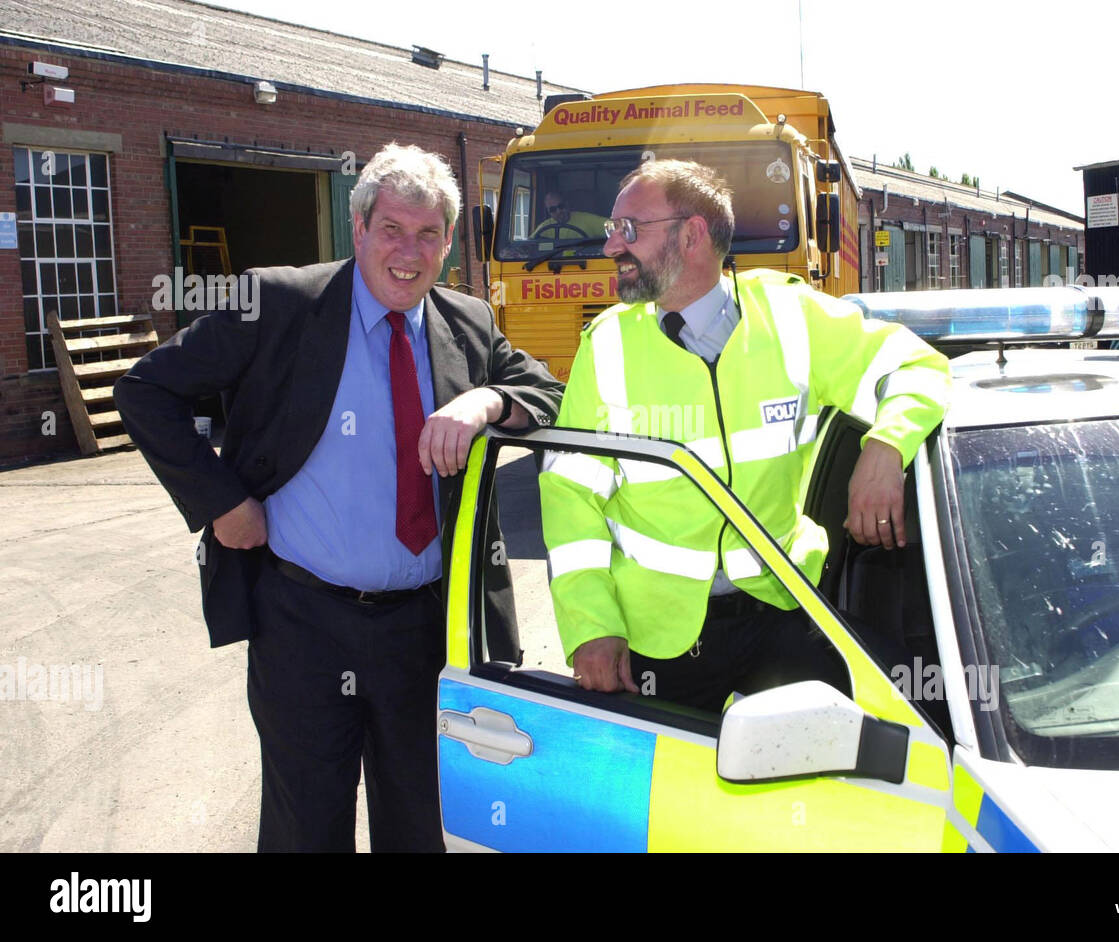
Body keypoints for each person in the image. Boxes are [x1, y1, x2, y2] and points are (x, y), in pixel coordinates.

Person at [115, 143, 563, 852]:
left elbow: (547, 394)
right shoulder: (281, 304)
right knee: (306, 828)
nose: (408, 252)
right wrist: (222, 501)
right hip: (303, 624)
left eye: (427, 234)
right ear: (358, 230)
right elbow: (145, 389)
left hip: (424, 632)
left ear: (449, 243)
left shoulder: (468, 324)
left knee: (422, 826)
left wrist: (484, 399)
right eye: (392, 229)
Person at [539, 159, 950, 713]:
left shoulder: (791, 316)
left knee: (877, 745)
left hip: (786, 610)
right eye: (613, 230)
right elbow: (571, 501)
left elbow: (915, 364)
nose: (612, 246)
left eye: (629, 229)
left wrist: (884, 448)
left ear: (692, 235)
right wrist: (591, 626)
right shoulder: (605, 345)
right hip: (659, 642)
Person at [530, 190, 607, 240]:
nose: (558, 211)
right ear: (548, 212)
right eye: (553, 209)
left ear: (567, 205)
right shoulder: (544, 227)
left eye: (561, 206)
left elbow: (612, 226)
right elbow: (528, 246)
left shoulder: (586, 219)